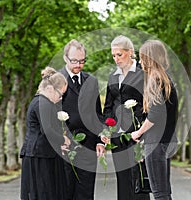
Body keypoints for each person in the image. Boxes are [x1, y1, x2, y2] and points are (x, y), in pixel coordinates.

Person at [102, 35, 150, 200]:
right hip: (117, 138)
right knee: (122, 180)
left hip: (138, 136)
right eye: (113, 56)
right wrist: (107, 129)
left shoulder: (144, 74)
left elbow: (149, 106)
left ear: (130, 52)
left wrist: (142, 132)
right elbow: (108, 107)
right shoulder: (112, 77)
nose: (116, 59)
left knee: (139, 181)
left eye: (119, 55)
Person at [131, 40, 178, 200]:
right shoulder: (165, 79)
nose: (139, 61)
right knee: (163, 191)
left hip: (157, 143)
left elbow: (155, 115)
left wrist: (139, 132)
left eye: (141, 58)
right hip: (164, 140)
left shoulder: (156, 80)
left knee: (159, 193)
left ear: (150, 58)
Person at [60, 39, 105, 200]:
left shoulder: (91, 81)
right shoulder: (55, 80)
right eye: (74, 61)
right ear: (65, 58)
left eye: (82, 61)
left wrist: (101, 139)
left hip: (89, 146)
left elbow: (97, 114)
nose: (78, 65)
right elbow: (48, 114)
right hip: (64, 147)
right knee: (65, 192)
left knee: (86, 193)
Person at [20, 66, 71, 200]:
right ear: (50, 89)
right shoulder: (42, 103)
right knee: (42, 193)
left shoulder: (42, 102)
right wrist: (63, 140)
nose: (61, 99)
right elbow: (47, 131)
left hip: (41, 154)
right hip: (38, 156)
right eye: (60, 94)